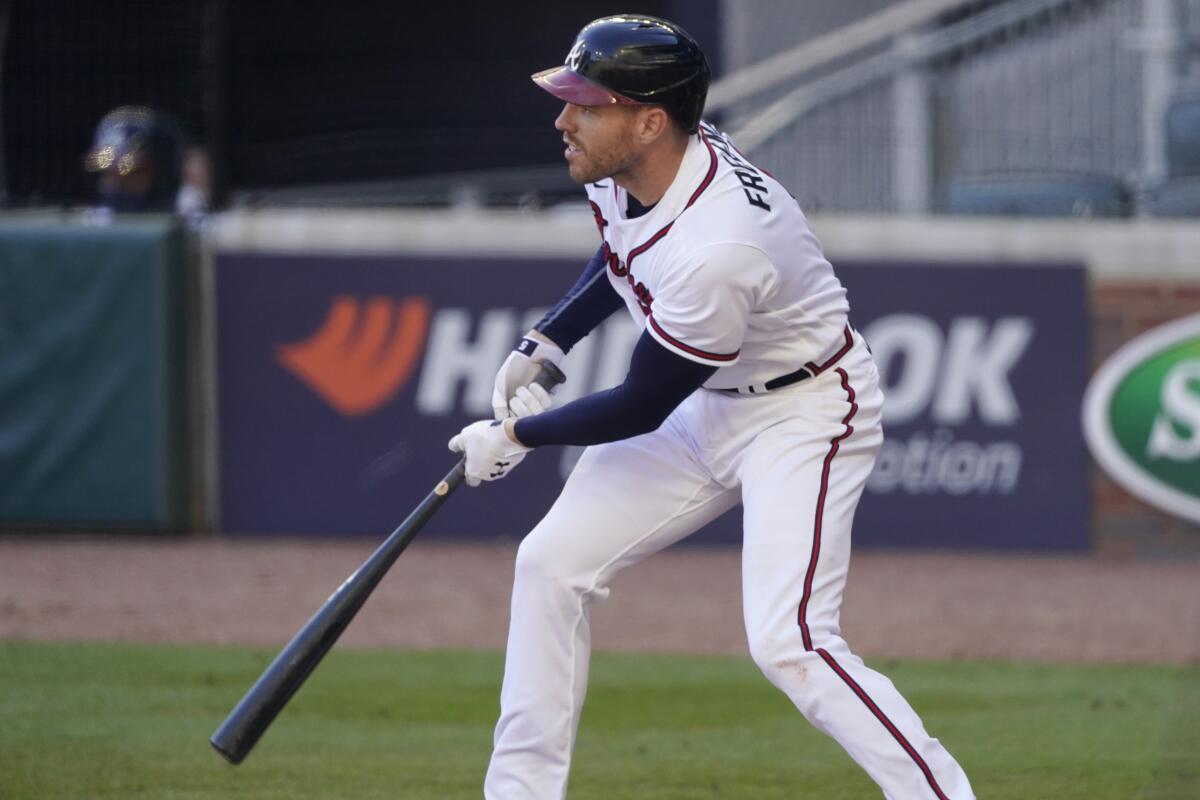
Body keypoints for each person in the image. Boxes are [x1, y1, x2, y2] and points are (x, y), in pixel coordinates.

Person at [448, 14, 976, 799]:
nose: (564, 119)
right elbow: (623, 246)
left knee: (789, 642)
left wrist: (519, 432)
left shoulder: (722, 247)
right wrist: (548, 339)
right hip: (710, 401)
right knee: (551, 564)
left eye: (586, 104)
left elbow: (640, 403)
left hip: (805, 409)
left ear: (649, 120)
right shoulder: (631, 161)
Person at [83, 105, 186, 214]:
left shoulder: (186, 219)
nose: (116, 185)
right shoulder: (92, 223)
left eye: (130, 174)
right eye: (108, 174)